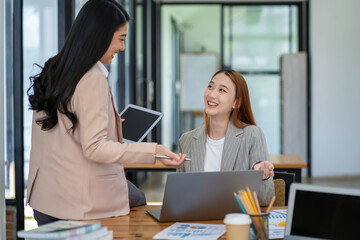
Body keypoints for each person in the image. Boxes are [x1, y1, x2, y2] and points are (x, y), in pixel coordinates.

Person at [26, 0, 185, 226]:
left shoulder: (55, 68)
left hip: (45, 199)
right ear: (99, 36)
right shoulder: (92, 78)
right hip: (76, 202)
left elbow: (62, 124)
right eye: (121, 39)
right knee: (138, 199)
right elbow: (95, 148)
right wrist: (155, 151)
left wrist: (110, 121)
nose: (122, 48)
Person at [178, 70, 274, 206]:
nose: (211, 94)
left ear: (236, 102)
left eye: (222, 90)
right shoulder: (186, 140)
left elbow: (266, 200)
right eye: (210, 86)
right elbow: (180, 197)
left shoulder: (252, 135)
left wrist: (261, 177)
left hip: (235, 221)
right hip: (197, 221)